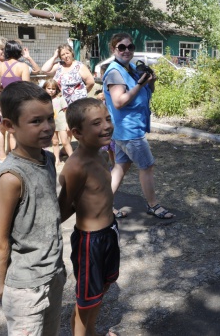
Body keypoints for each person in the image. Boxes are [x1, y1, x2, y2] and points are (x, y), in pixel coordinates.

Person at [0, 81, 66, 335]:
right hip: (25, 289)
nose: (47, 128)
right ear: (10, 125)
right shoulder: (12, 177)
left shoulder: (48, 159)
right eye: (35, 122)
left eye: (49, 119)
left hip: (53, 273)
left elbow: (46, 214)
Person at [58, 98, 120, 336]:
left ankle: (89, 332)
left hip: (108, 233)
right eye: (96, 123)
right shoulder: (76, 166)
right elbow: (63, 208)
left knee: (97, 294)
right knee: (87, 300)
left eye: (107, 119)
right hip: (89, 242)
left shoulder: (102, 155)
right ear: (77, 133)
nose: (106, 126)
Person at [103, 33, 174, 219]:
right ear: (113, 50)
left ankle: (103, 206)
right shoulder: (114, 72)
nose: (127, 50)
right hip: (129, 130)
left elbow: (147, 90)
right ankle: (153, 205)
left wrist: (151, 81)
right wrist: (141, 84)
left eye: (130, 47)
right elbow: (119, 101)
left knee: (120, 167)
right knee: (147, 166)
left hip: (125, 129)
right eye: (121, 47)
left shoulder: (131, 68)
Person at [43, 78, 74, 167]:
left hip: (61, 123)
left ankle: (72, 159)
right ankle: (57, 159)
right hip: (51, 124)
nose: (51, 91)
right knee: (55, 142)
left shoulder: (60, 98)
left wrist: (68, 123)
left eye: (53, 89)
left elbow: (65, 111)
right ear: (45, 88)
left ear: (56, 89)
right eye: (49, 88)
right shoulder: (43, 100)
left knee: (65, 142)